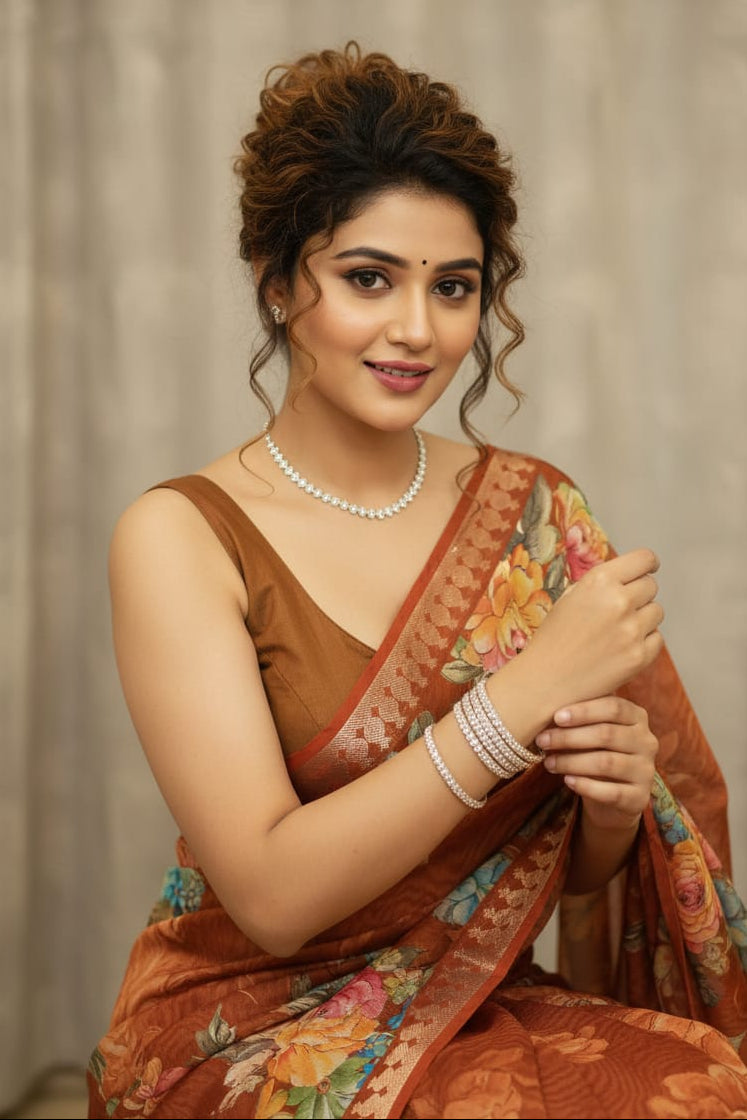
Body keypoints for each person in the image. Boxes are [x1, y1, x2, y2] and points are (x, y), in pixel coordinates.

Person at [87, 42, 747, 1120]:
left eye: (454, 288)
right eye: (367, 278)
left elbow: (572, 886)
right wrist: (516, 702)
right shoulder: (181, 535)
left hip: (476, 999)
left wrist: (617, 808)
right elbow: (273, 898)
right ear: (276, 281)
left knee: (706, 1087)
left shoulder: (535, 515)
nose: (417, 329)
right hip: (244, 1028)